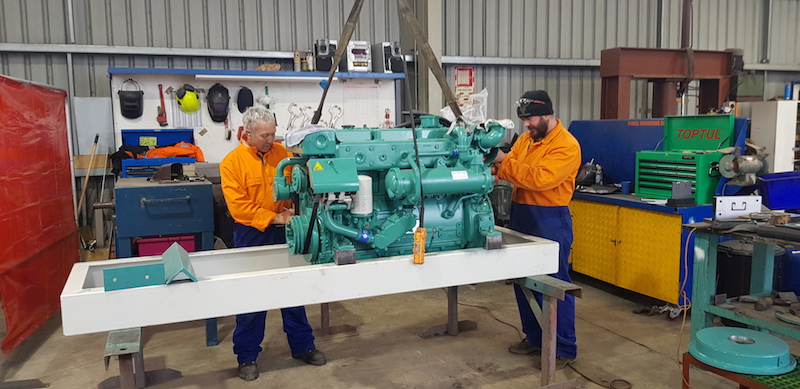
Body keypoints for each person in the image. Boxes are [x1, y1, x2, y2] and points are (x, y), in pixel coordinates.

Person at [220, 106, 326, 381]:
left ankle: (303, 346)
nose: (270, 140)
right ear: (247, 134)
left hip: (287, 228)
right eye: (264, 135)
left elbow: (300, 185)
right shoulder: (231, 163)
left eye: (273, 134)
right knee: (253, 297)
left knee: (293, 290)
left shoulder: (283, 154)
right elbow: (239, 207)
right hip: (251, 233)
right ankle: (246, 357)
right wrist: (275, 217)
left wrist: (296, 209)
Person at [492, 90, 582, 370]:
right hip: (522, 212)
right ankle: (534, 336)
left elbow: (540, 179)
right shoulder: (527, 140)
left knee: (554, 283)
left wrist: (501, 162)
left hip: (549, 217)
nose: (526, 125)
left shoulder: (566, 145)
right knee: (523, 278)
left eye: (530, 119)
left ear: (547, 114)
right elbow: (511, 166)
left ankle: (564, 347)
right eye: (523, 120)